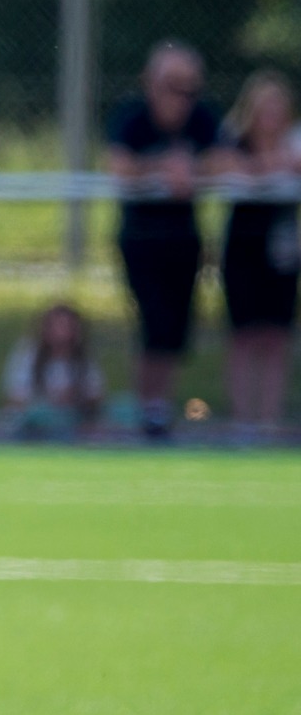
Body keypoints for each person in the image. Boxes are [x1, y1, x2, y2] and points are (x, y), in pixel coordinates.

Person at [106, 41, 226, 439]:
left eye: (188, 88)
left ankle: (162, 407)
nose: (180, 97)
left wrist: (192, 168)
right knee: (151, 320)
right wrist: (162, 166)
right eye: (171, 85)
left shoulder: (202, 119)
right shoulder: (133, 116)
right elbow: (120, 165)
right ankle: (146, 408)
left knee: (176, 325)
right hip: (140, 237)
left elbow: (222, 159)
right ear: (151, 82)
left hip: (184, 236)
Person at [219, 71, 299, 434]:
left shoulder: (295, 141)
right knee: (244, 333)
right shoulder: (232, 139)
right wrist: (269, 167)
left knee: (275, 335)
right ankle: (242, 419)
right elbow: (228, 171)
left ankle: (268, 419)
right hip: (244, 244)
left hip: (282, 247)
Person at [1, 302, 105, 438]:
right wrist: (48, 400)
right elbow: (14, 396)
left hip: (71, 424)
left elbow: (96, 395)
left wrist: (74, 398)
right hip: (33, 426)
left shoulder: (83, 360)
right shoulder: (28, 354)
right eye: (58, 325)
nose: (63, 332)